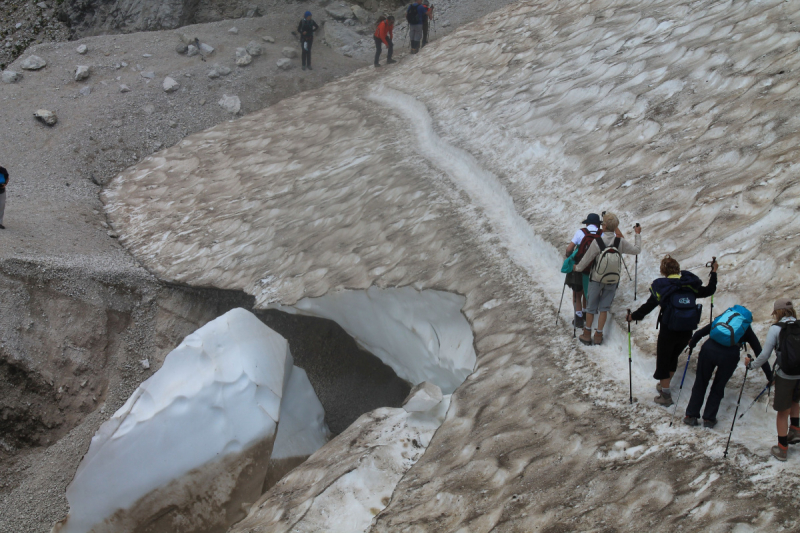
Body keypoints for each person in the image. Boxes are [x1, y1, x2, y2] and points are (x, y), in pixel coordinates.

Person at [627, 256, 718, 406]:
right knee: (673, 357)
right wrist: (714, 272)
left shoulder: (663, 287)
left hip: (668, 330)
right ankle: (665, 385)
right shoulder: (690, 285)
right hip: (687, 330)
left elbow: (648, 306)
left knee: (663, 360)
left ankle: (666, 395)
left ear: (663, 271)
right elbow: (710, 290)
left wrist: (633, 316)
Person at [684, 305, 771, 428]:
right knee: (718, 386)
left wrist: (692, 344)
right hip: (729, 356)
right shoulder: (745, 327)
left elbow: (699, 333)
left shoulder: (722, 319)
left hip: (708, 349)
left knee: (701, 381)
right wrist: (770, 375)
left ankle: (691, 416)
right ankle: (709, 419)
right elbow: (759, 352)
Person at [573, 212, 641, 346]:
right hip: (612, 279)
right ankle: (598, 335)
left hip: (597, 278)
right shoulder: (619, 242)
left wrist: (576, 268)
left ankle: (587, 334)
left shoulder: (597, 242)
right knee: (604, 308)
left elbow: (585, 261)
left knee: (591, 308)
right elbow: (636, 250)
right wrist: (637, 234)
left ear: (603, 226)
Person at [746, 298, 798, 461]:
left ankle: (782, 449)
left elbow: (765, 355)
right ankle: (795, 430)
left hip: (785, 375)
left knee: (782, 412)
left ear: (777, 312)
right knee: (795, 401)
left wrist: (751, 365)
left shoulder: (776, 329)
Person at [565, 213, 602, 329]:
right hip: (595, 268)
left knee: (577, 293)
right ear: (598, 225)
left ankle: (578, 317)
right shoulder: (602, 234)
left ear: (587, 223)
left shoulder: (581, 233)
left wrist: (569, 257)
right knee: (587, 290)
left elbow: (569, 249)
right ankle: (586, 313)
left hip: (579, 267)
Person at [0, 165, 8, 230]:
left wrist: (5, 184)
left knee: (1, 206)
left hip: (1, 190)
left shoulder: (3, 170)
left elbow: (7, 178)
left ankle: (0, 223)